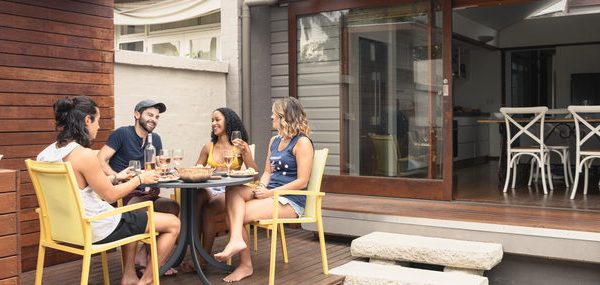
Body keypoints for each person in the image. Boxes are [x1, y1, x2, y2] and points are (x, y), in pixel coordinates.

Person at [37, 96, 180, 285]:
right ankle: (146, 281)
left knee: (140, 213)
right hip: (99, 226)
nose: (99, 127)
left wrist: (115, 177)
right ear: (87, 120)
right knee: (173, 224)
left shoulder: (45, 154)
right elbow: (110, 195)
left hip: (65, 228)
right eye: (98, 120)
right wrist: (139, 178)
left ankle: (129, 276)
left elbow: (82, 184)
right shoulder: (84, 155)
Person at [214, 97, 314, 282]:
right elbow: (267, 171)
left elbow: (302, 181)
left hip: (290, 200)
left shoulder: (302, 143)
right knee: (233, 190)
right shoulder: (274, 140)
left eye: (274, 114)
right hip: (270, 193)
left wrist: (270, 193)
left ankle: (245, 265)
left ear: (285, 117)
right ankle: (236, 239)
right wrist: (261, 187)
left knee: (236, 214)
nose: (271, 117)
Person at [97, 99, 180, 275]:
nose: (154, 119)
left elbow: (156, 167)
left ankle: (146, 256)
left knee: (172, 206)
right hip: (121, 195)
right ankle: (129, 272)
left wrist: (158, 180)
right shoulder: (122, 134)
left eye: (157, 117)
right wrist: (117, 178)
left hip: (142, 194)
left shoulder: (155, 139)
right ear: (137, 115)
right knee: (137, 208)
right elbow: (100, 159)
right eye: (150, 115)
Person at [194, 107, 257, 259]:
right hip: (209, 187)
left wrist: (246, 152)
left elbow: (254, 173)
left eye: (217, 120)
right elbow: (196, 170)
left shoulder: (240, 146)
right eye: (212, 121)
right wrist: (204, 171)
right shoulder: (208, 146)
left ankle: (203, 258)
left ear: (228, 122)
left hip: (229, 190)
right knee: (195, 199)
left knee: (209, 209)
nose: (213, 123)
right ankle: (188, 247)